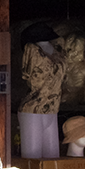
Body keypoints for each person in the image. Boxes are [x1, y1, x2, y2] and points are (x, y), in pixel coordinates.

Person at [19, 22, 65, 159]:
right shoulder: (32, 51)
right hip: (33, 111)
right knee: (32, 163)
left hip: (52, 109)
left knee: (52, 163)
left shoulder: (58, 50)